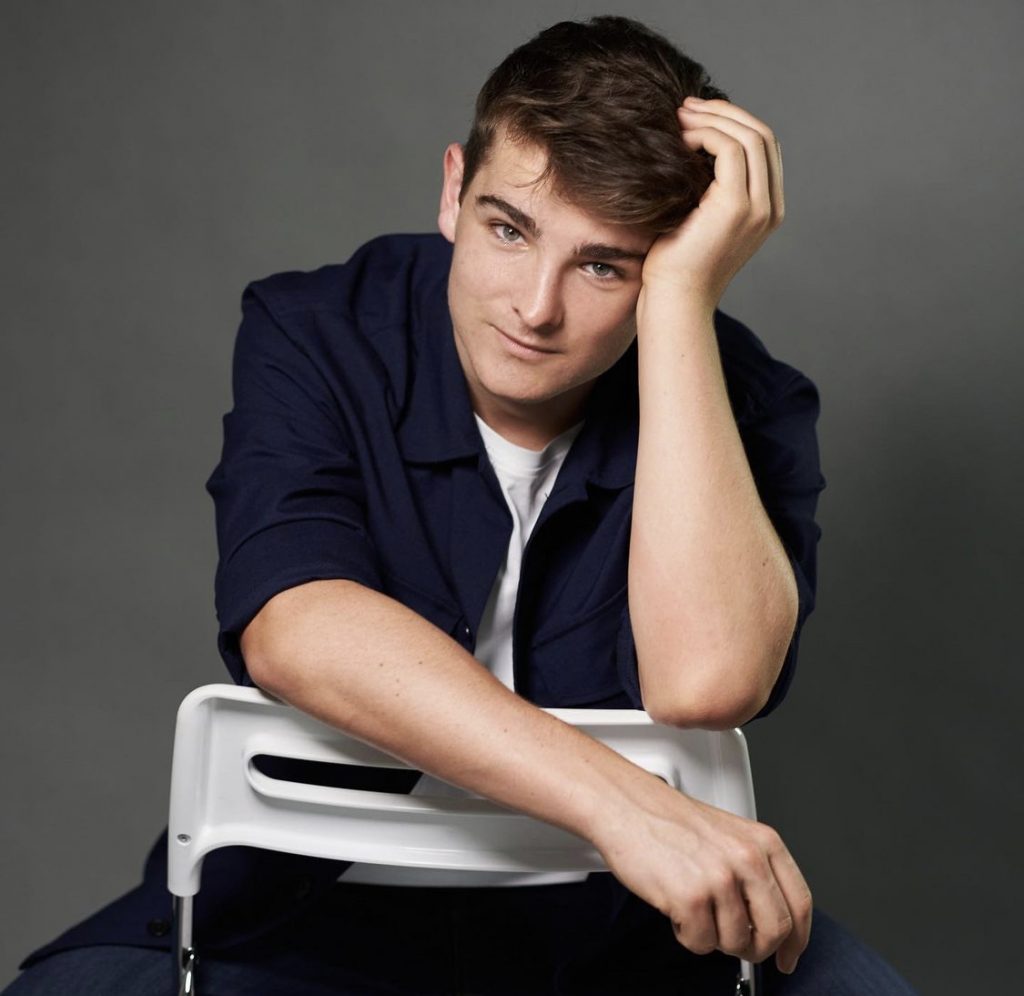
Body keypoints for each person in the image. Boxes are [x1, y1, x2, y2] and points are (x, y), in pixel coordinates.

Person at [5, 15, 919, 996]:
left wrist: (679, 308)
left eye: (604, 264)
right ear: (453, 190)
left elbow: (707, 684)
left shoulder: (740, 395)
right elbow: (296, 626)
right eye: (508, 229)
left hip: (626, 923)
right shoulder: (320, 330)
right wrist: (624, 807)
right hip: (306, 910)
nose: (535, 307)